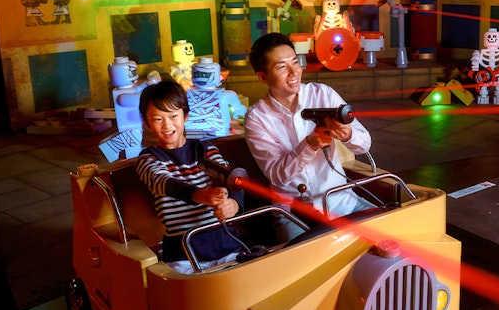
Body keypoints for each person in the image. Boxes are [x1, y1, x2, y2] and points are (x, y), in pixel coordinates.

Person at [244, 32, 375, 221]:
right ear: (263, 77)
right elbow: (278, 176)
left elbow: (365, 144)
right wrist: (310, 144)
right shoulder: (257, 118)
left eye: (295, 62)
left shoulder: (322, 94)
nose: (294, 72)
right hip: (293, 213)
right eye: (282, 67)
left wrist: (348, 134)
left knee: (394, 230)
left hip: (342, 201)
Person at [135, 81, 245, 271]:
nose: (167, 125)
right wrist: (200, 195)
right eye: (158, 119)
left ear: (185, 116)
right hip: (182, 253)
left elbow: (230, 178)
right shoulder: (148, 158)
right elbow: (163, 182)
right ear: (146, 122)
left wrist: (233, 204)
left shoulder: (204, 149)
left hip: (226, 245)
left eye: (173, 116)